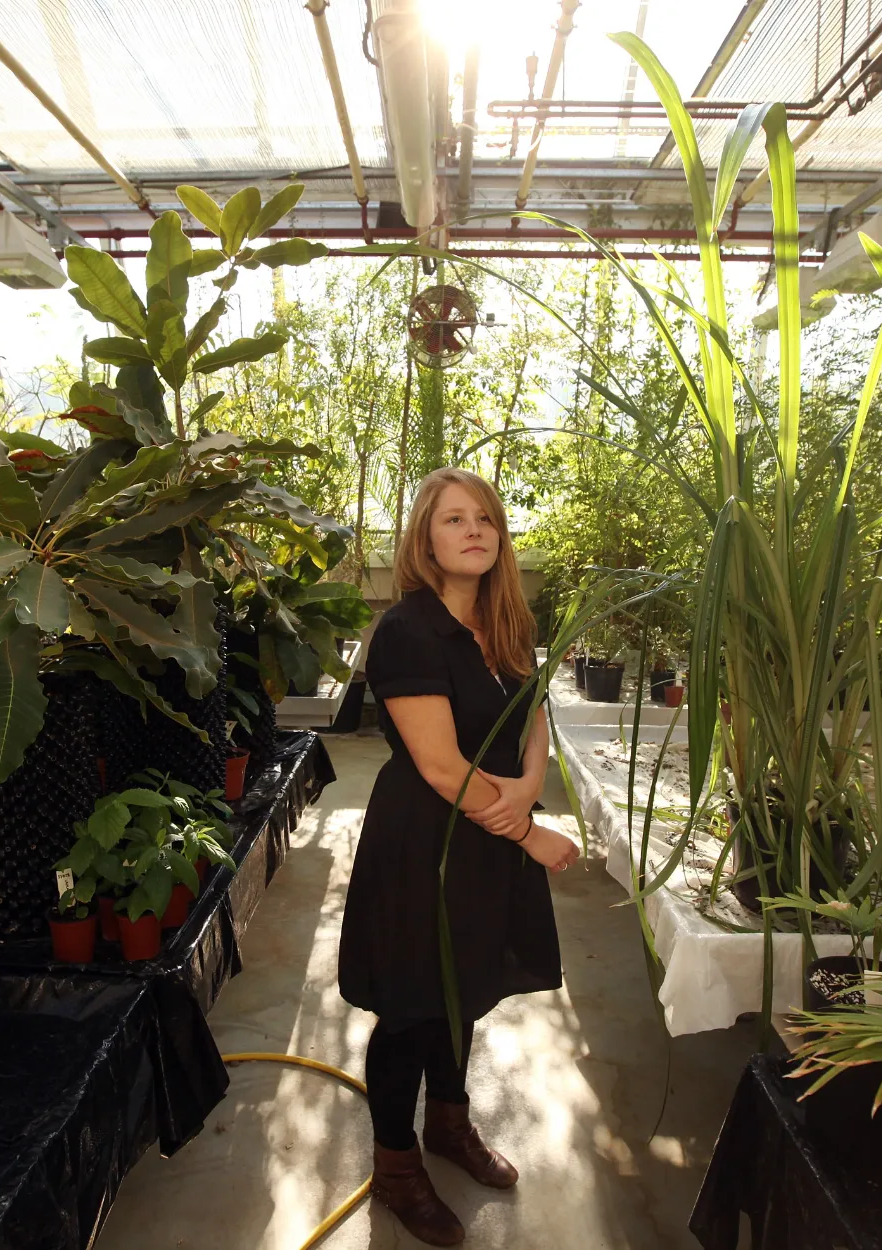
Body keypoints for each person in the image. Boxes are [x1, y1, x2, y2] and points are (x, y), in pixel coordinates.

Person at [338, 467, 580, 1246]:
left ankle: (448, 1122)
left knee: (463, 986)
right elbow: (441, 767)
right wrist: (529, 830)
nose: (474, 530)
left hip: (487, 831)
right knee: (414, 1004)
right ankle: (396, 1165)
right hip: (426, 841)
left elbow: (533, 712)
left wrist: (530, 785)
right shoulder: (408, 631)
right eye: (453, 520)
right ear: (425, 540)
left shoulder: (506, 623)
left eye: (485, 518)